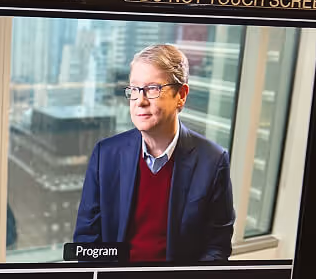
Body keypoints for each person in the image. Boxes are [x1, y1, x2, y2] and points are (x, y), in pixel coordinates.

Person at [73, 44, 235, 262]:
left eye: (152, 89)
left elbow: (217, 246)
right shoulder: (106, 155)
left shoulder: (213, 161)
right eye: (134, 89)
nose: (140, 101)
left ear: (181, 96)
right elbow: (86, 242)